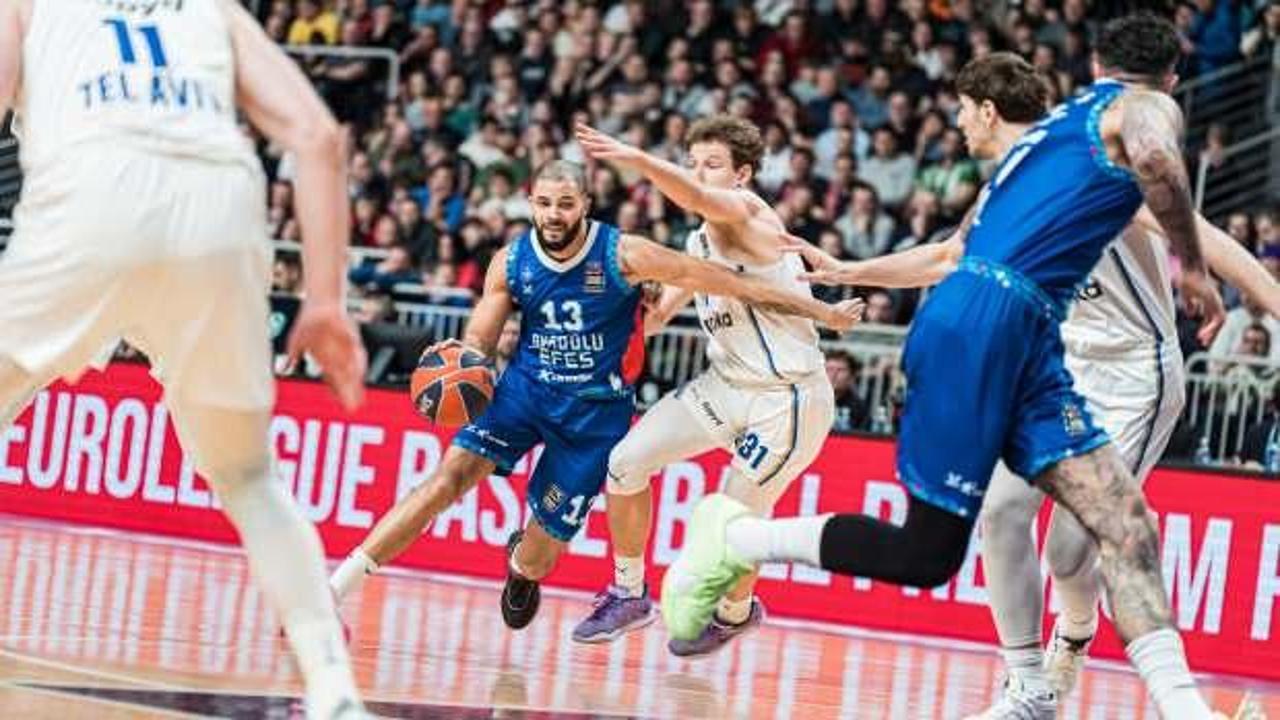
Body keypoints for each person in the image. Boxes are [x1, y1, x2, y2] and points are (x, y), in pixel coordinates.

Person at [660, 16, 1236, 719]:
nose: (958, 124)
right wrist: (1201, 277)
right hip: (996, 329)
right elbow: (1150, 162)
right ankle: (737, 537)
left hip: (1030, 343)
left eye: (963, 112)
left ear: (1090, 65)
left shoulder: (1059, 132)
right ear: (1171, 78)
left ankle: (1134, 701)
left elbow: (957, 250)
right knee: (943, 548)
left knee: (1105, 527)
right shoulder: (1113, 120)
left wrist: (850, 269)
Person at [790, 52, 1280, 718]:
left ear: (987, 112)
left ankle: (1083, 643)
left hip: (1134, 370)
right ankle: (1030, 686)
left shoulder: (1096, 163)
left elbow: (1221, 250)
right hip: (1061, 358)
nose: (957, 124)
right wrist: (849, 271)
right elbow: (943, 258)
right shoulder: (1013, 182)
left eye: (962, 110)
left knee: (1073, 547)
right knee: (999, 514)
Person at [0, 1, 370, 717]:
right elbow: (318, 137)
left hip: (91, 197)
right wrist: (325, 301)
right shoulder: (211, 7)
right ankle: (333, 689)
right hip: (219, 212)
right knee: (250, 477)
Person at [328, 160, 861, 632]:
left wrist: (822, 311)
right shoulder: (510, 262)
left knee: (538, 559)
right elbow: (477, 343)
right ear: (530, 204)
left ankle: (520, 568)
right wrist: (464, 368)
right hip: (524, 393)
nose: (553, 214)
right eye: (543, 203)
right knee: (448, 479)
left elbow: (728, 281)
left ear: (585, 204)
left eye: (565, 204)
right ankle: (334, 590)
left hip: (592, 420)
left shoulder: (625, 254)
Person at [568, 116, 842, 656]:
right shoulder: (696, 242)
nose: (699, 175)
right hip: (723, 386)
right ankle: (628, 593)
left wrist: (639, 160)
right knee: (624, 463)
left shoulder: (748, 211)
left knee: (733, 525)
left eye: (712, 166)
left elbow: (696, 196)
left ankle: (736, 613)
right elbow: (658, 315)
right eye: (692, 163)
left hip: (786, 398)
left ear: (742, 175)